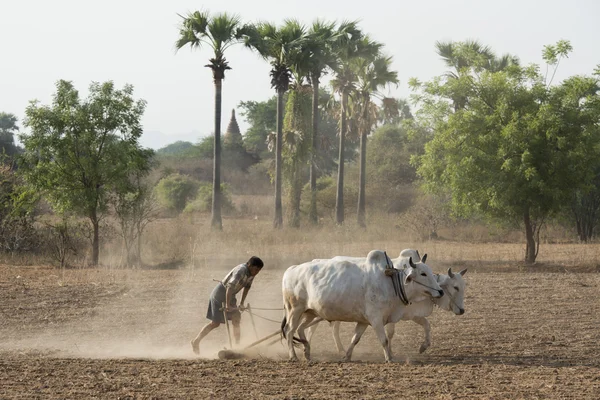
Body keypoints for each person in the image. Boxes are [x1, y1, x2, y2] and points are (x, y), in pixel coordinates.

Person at [191, 256, 264, 355]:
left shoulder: (251, 274)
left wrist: (242, 303)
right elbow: (229, 287)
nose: (256, 272)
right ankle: (196, 341)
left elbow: (247, 287)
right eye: (256, 269)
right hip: (220, 293)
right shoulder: (240, 271)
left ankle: (237, 346)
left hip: (230, 294)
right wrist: (228, 305)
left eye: (259, 270)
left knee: (236, 318)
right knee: (215, 323)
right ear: (250, 265)